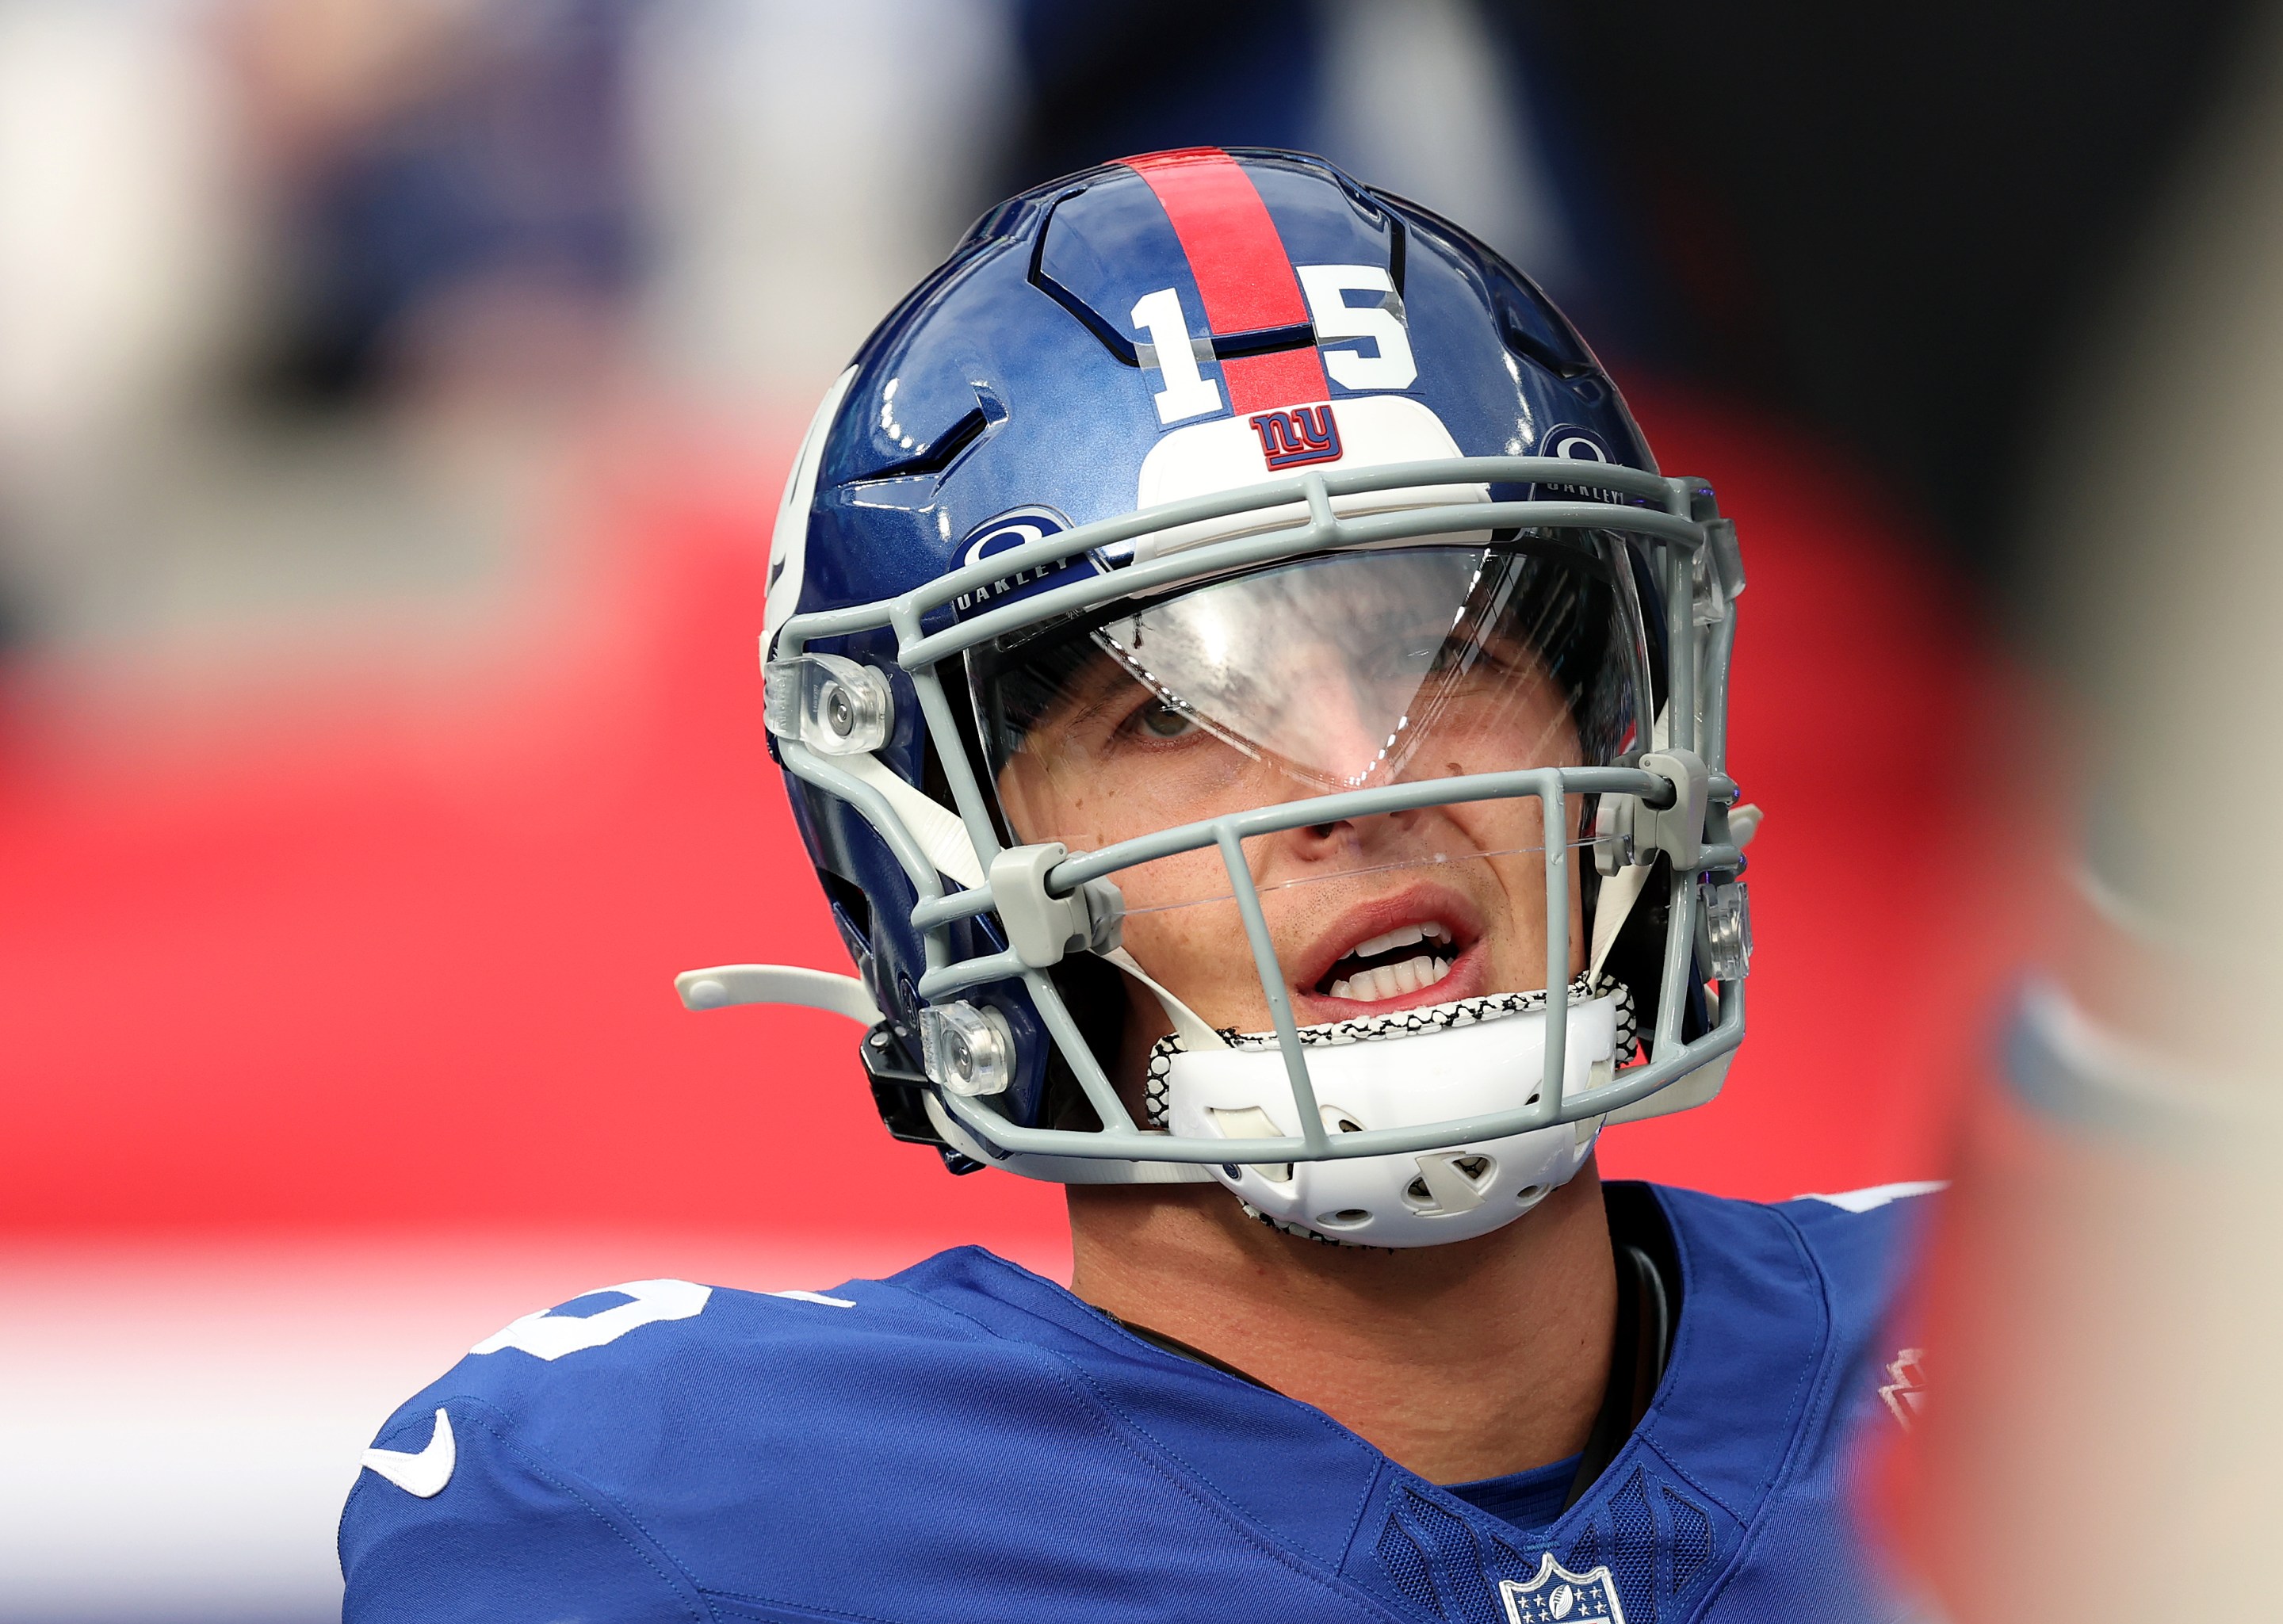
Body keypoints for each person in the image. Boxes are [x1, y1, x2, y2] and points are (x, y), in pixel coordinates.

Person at [340, 147, 1933, 1622]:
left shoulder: (2041, 1341)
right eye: (1173, 711)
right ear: (942, 866)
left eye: (1445, 648)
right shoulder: (701, 1520)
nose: (1358, 775)